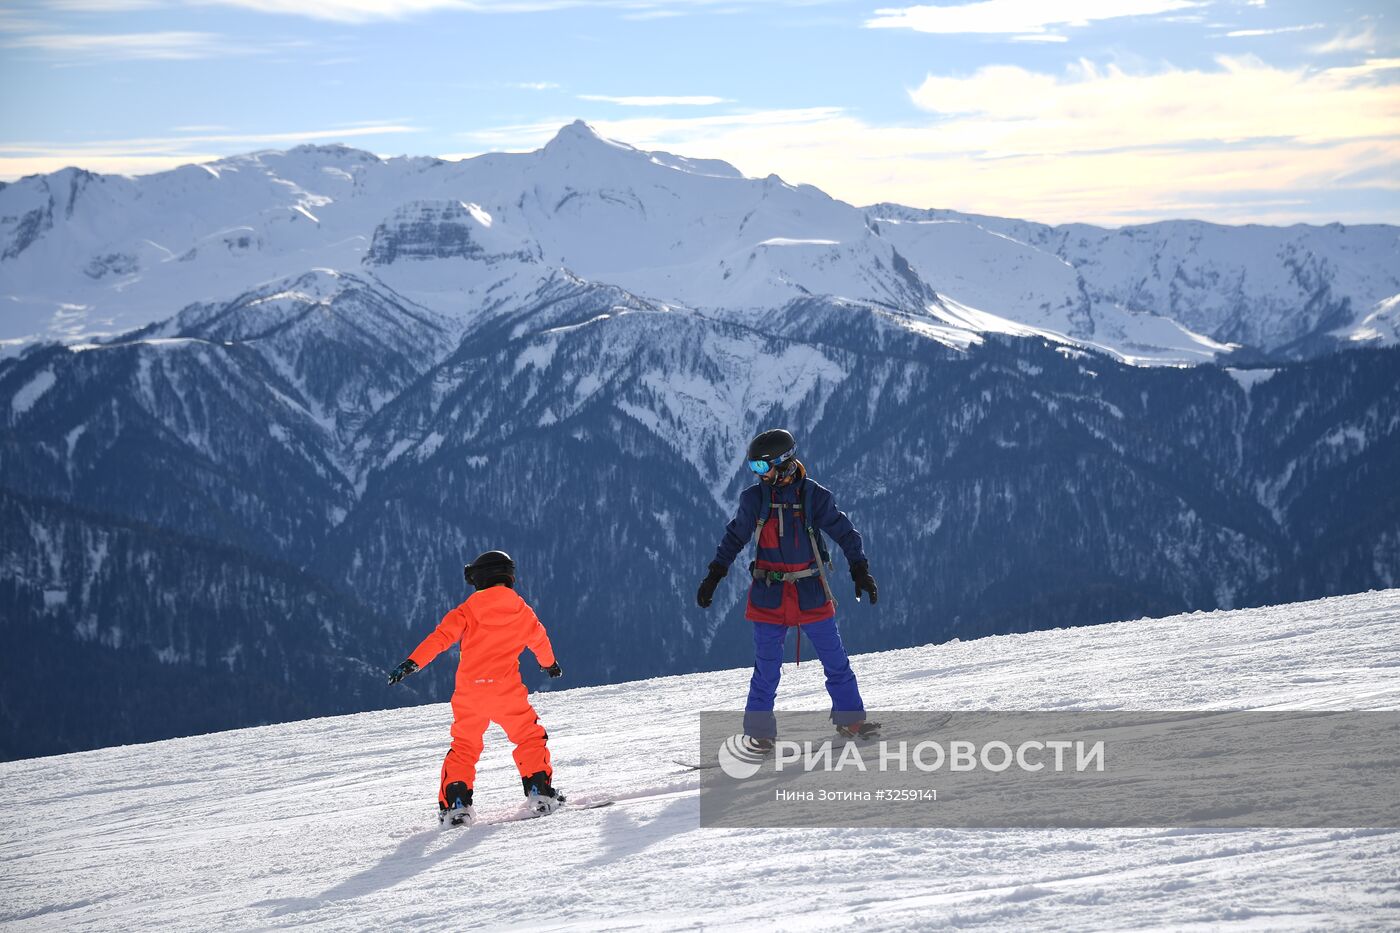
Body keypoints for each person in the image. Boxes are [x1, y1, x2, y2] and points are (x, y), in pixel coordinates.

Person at [696, 429, 880, 750]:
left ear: (783, 463)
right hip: (770, 594)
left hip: (809, 591)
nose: (758, 475)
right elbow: (735, 537)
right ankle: (759, 733)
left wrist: (859, 568)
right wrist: (715, 574)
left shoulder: (814, 497)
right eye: (753, 468)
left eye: (761, 467)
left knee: (835, 659)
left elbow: (844, 531)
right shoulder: (755, 500)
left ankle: (851, 720)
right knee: (766, 668)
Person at [386, 550, 564, 826]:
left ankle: (457, 806)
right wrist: (549, 664)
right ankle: (540, 793)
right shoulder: (522, 611)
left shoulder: (467, 611)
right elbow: (539, 639)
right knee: (529, 738)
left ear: (478, 578)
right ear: (509, 577)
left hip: (470, 694)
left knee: (464, 747)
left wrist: (412, 663)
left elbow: (440, 639)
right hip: (507, 691)